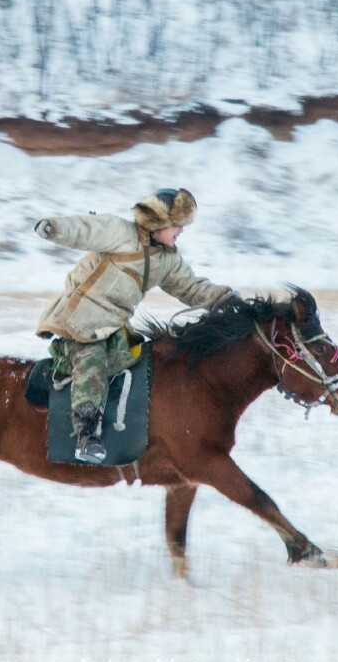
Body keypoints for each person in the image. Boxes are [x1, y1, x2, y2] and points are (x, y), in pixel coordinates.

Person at [35, 188, 237, 463]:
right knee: (92, 360)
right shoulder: (121, 233)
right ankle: (85, 435)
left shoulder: (167, 260)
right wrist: (54, 228)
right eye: (177, 225)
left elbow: (190, 287)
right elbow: (86, 229)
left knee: (143, 360)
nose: (181, 231)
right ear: (158, 223)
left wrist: (225, 299)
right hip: (80, 319)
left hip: (114, 326)